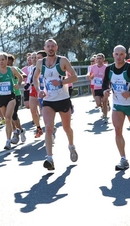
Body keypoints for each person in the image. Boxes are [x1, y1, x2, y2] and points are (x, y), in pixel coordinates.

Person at [33, 39, 78, 170]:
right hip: (48, 100)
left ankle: (71, 146)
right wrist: (39, 89)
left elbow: (74, 77)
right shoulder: (40, 62)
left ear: (56, 48)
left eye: (53, 46)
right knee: (48, 128)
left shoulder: (62, 60)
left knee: (66, 128)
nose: (51, 48)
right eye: (48, 46)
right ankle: (49, 158)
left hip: (63, 99)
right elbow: (35, 78)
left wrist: (61, 83)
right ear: (45, 48)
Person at [102, 45, 130, 170]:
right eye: (116, 54)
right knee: (117, 130)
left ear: (125, 55)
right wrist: (105, 90)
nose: (119, 57)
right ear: (113, 54)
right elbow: (105, 82)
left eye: (121, 54)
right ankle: (123, 159)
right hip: (117, 105)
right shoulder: (109, 69)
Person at [0, 52, 23, 150]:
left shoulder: (12, 70)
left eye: (3, 59)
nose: (1, 62)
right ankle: (15, 131)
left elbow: (20, 77)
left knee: (8, 118)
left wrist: (18, 84)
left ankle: (8, 141)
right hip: (1, 97)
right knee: (7, 120)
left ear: (7, 60)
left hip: (11, 97)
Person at [7, 54, 26, 144]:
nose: (7, 62)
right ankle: (16, 131)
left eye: (9, 60)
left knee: (13, 115)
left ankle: (19, 130)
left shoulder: (14, 69)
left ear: (11, 61)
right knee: (8, 116)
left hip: (16, 94)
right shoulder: (1, 71)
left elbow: (23, 75)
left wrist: (18, 82)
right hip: (5, 95)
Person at [88, 53, 109, 122]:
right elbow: (90, 76)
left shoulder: (106, 67)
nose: (99, 60)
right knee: (98, 103)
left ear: (103, 59)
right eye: (97, 58)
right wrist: (90, 77)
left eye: (100, 58)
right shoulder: (93, 67)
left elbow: (109, 77)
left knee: (105, 102)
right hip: (96, 87)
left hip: (104, 87)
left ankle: (105, 117)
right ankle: (103, 107)